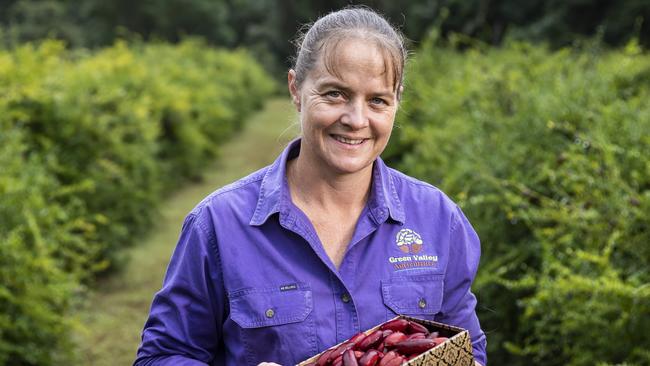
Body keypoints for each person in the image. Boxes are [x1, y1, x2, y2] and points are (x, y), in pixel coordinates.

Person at [134, 6, 487, 366]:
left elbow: (466, 350)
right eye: (335, 94)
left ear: (396, 103)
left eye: (378, 100)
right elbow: (163, 355)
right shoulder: (218, 225)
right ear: (296, 89)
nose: (355, 119)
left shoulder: (438, 220)